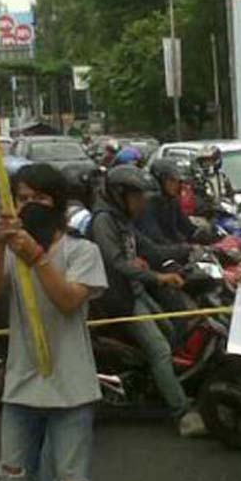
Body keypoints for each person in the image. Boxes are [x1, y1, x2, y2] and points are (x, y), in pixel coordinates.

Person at [0, 164, 108, 481]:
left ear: (58, 202)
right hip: (21, 387)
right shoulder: (12, 251)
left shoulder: (83, 251)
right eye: (22, 199)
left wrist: (36, 257)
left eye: (39, 198)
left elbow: (68, 301)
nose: (30, 205)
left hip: (71, 389)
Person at [89, 165, 206, 437]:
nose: (143, 201)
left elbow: (148, 248)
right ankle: (182, 413)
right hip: (120, 298)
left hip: (135, 291)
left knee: (172, 332)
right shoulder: (103, 221)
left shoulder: (122, 220)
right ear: (120, 195)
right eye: (137, 196)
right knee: (160, 350)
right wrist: (158, 277)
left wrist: (185, 253)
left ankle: (160, 386)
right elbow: (117, 263)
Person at [138, 158, 201, 246]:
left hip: (173, 251)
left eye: (178, 181)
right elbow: (156, 238)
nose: (176, 185)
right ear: (159, 181)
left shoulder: (172, 202)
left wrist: (209, 235)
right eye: (171, 181)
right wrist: (184, 249)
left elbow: (188, 228)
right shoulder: (147, 204)